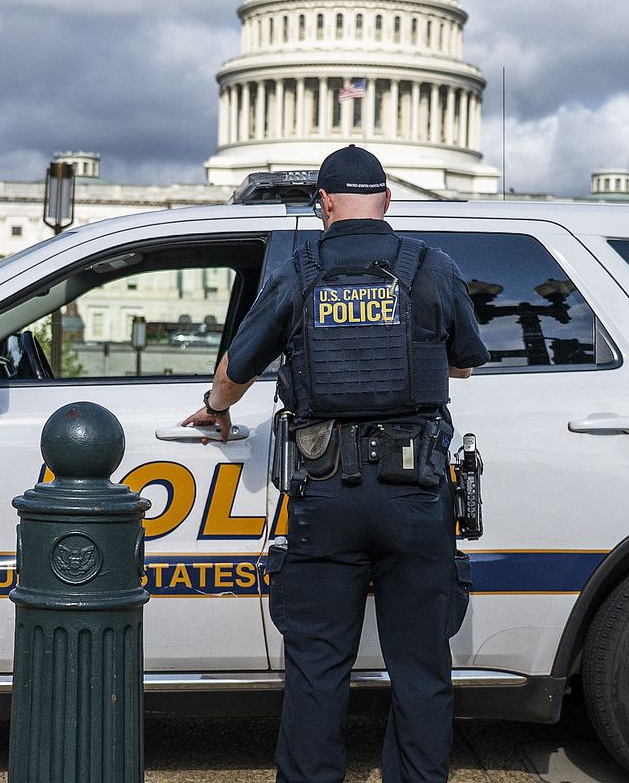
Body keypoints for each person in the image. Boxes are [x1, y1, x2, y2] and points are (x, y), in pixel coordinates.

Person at [181, 145, 489, 783]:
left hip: (326, 492)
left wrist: (215, 409)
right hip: (417, 490)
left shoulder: (299, 271)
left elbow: (236, 371)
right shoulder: (431, 268)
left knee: (317, 663)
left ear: (323, 203)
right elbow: (464, 359)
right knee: (422, 667)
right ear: (387, 200)